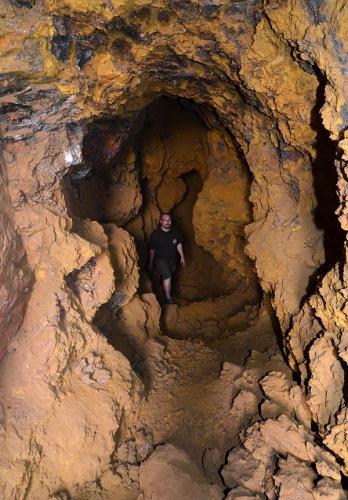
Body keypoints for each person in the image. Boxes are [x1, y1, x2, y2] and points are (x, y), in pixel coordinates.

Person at [148, 213, 185, 304]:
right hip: (160, 260)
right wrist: (151, 262)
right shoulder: (156, 234)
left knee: (168, 275)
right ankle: (168, 298)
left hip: (172, 260)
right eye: (165, 220)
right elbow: (152, 250)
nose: (167, 222)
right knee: (167, 275)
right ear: (161, 222)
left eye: (169, 220)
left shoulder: (175, 231)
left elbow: (178, 244)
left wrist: (182, 257)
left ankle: (161, 287)